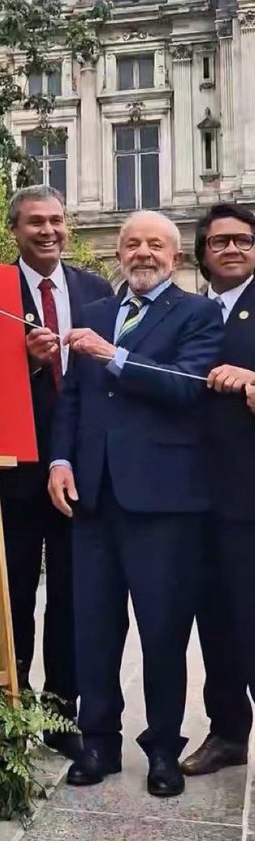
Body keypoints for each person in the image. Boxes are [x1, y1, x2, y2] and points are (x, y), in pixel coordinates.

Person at [49, 211, 223, 798]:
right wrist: (60, 460)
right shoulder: (97, 313)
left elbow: (187, 387)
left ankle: (163, 747)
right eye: (132, 244)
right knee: (94, 627)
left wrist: (113, 356)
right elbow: (72, 398)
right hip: (93, 497)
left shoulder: (197, 313)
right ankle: (98, 741)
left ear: (176, 256)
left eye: (155, 244)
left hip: (165, 501)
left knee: (163, 631)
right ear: (119, 254)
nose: (142, 253)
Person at [0, 184, 112, 757]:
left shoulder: (96, 291)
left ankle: (61, 713)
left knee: (71, 595)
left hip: (80, 468)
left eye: (57, 220)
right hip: (17, 466)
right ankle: (7, 712)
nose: (49, 231)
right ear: (15, 230)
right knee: (14, 593)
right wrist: (20, 360)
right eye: (36, 222)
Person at [180, 204, 255, 775]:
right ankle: (228, 731)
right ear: (202, 253)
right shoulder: (194, 313)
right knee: (216, 621)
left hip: (249, 496)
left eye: (244, 240)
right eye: (220, 241)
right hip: (195, 495)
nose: (232, 249)